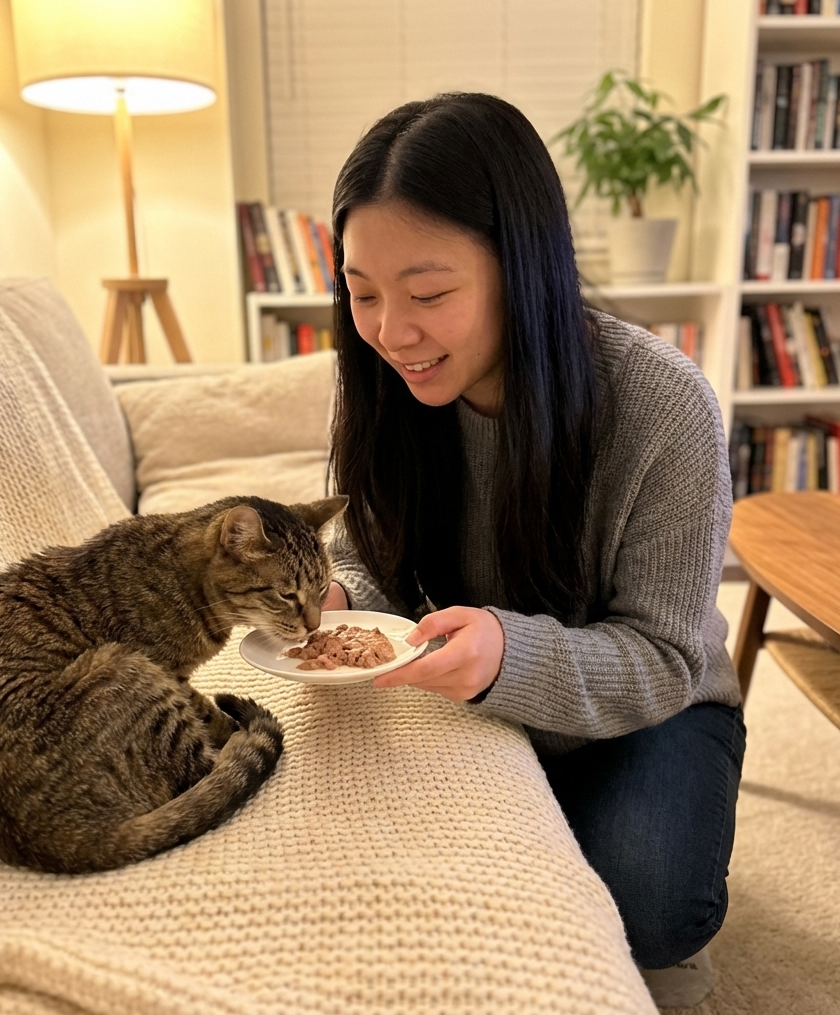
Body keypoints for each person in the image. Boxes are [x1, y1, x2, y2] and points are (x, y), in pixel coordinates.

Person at [321, 91, 744, 1005]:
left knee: (650, 897)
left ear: (523, 268)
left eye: (430, 294)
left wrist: (510, 655)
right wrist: (342, 600)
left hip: (651, 700)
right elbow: (361, 556)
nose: (393, 332)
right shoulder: (380, 386)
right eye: (362, 293)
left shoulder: (662, 404)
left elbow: (666, 654)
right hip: (471, 678)